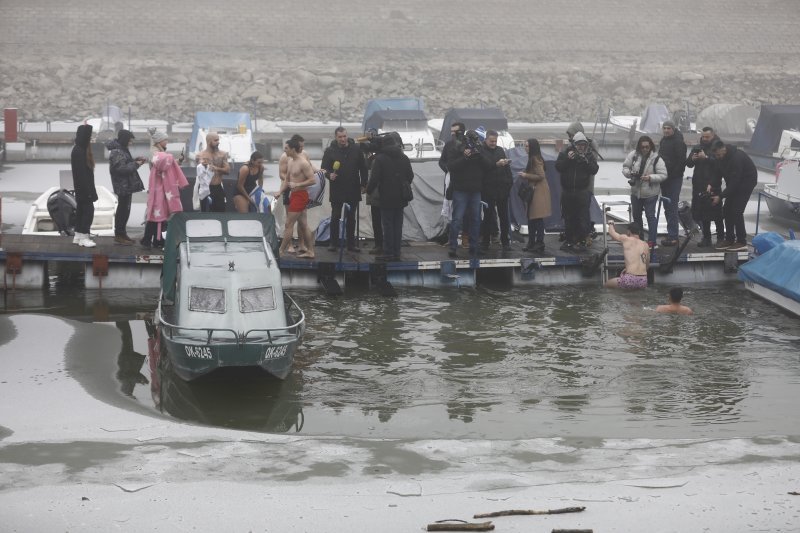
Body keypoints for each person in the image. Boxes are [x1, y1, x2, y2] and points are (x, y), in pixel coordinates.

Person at [444, 128, 492, 258]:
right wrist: (464, 157)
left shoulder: (479, 149)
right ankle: (453, 247)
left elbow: (488, 166)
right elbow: (450, 166)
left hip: (475, 190)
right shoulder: (457, 149)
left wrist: (479, 155)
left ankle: (474, 246)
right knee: (457, 219)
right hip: (460, 189)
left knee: (476, 219)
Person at [366, 133, 414, 262]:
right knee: (398, 225)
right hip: (401, 197)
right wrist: (402, 184)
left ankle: (388, 253)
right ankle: (397, 252)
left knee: (387, 226)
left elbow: (374, 179)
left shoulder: (380, 158)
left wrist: (368, 190)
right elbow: (410, 176)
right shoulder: (404, 157)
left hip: (386, 196)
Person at [321, 127, 368, 252]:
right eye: (340, 137)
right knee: (335, 216)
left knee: (351, 217)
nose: (342, 139)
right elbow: (324, 168)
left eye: (344, 136)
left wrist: (364, 184)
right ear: (336, 137)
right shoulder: (330, 151)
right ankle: (333, 243)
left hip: (353, 187)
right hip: (337, 188)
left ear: (347, 136)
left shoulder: (356, 149)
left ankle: (351, 244)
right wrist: (329, 175)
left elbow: (363, 168)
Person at [710, 140, 757, 252]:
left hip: (746, 183)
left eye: (718, 154)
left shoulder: (737, 158)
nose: (717, 157)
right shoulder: (720, 158)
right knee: (726, 210)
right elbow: (717, 174)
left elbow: (735, 182)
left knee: (737, 211)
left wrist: (721, 196)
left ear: (723, 148)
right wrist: (711, 185)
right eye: (715, 155)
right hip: (734, 183)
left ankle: (741, 241)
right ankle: (729, 239)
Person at [141, 137, 189, 248]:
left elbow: (168, 164)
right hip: (158, 186)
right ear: (159, 141)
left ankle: (156, 239)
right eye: (165, 139)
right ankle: (148, 239)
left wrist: (178, 161)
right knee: (156, 213)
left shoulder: (160, 152)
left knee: (160, 213)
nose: (167, 141)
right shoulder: (155, 152)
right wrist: (171, 157)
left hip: (161, 186)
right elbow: (162, 162)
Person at [622, 135, 667, 250]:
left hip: (650, 193)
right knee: (636, 216)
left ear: (651, 146)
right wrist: (630, 173)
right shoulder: (633, 155)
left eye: (647, 147)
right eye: (642, 147)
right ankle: (639, 240)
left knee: (650, 216)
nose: (645, 149)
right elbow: (625, 167)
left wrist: (650, 177)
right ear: (639, 147)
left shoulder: (657, 159)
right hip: (636, 191)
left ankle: (652, 242)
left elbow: (664, 175)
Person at [555, 132, 598, 251]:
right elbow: (558, 167)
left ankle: (582, 239)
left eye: (583, 145)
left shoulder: (588, 156)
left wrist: (585, 161)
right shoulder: (565, 153)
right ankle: (569, 240)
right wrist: (568, 159)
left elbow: (594, 170)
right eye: (579, 145)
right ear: (574, 144)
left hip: (582, 191)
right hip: (568, 191)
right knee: (568, 217)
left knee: (583, 217)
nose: (581, 147)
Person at [686, 127, 724, 247]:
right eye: (703, 136)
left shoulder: (718, 147)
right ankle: (706, 237)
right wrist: (693, 158)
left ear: (713, 136)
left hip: (713, 184)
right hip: (698, 183)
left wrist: (706, 158)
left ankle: (720, 238)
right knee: (702, 213)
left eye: (707, 137)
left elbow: (720, 165)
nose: (705, 139)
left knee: (717, 213)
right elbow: (688, 164)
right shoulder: (698, 147)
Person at [279, 137, 317, 259]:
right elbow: (286, 179)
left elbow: (312, 180)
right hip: (293, 195)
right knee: (303, 224)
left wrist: (298, 184)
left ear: (293, 149)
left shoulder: (303, 163)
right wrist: (279, 192)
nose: (285, 150)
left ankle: (280, 251)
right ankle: (310, 251)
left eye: (287, 148)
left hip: (301, 195)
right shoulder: (290, 161)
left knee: (289, 224)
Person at [106, 129, 146, 245]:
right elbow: (121, 169)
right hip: (122, 186)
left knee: (125, 210)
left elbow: (124, 163)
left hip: (126, 186)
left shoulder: (121, 150)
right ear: (124, 140)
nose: (131, 143)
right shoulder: (117, 152)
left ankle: (122, 234)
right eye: (130, 140)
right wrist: (136, 164)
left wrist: (134, 161)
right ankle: (119, 234)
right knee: (122, 211)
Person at [480, 130, 514, 252]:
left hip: (502, 189)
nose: (493, 143)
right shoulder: (481, 151)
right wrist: (497, 164)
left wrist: (509, 183)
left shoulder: (500, 150)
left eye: (495, 141)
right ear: (486, 140)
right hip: (488, 189)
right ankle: (485, 243)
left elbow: (507, 168)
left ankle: (505, 242)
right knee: (488, 217)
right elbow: (485, 166)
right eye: (491, 141)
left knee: (504, 217)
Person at [657, 120, 687, 247]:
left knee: (672, 206)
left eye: (668, 128)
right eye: (664, 128)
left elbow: (681, 163)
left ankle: (674, 236)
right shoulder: (663, 141)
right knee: (666, 206)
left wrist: (671, 175)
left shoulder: (679, 142)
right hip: (664, 178)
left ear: (673, 129)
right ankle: (671, 233)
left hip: (674, 179)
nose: (666, 130)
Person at [518, 138, 551, 253]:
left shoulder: (535, 159)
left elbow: (541, 175)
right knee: (532, 218)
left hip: (538, 190)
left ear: (532, 147)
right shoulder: (534, 158)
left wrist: (525, 175)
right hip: (536, 190)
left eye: (527, 146)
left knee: (537, 218)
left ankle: (539, 242)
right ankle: (532, 242)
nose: (525, 148)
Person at [70, 124, 98, 248]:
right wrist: (88, 191)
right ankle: (84, 237)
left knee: (81, 211)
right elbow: (81, 174)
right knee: (88, 211)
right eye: (89, 136)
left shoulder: (79, 149)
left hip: (81, 188)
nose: (90, 138)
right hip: (83, 188)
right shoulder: (79, 151)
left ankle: (78, 236)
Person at [605, 220, 650, 289]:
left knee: (607, 285)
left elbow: (612, 233)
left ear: (628, 231)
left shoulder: (626, 239)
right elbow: (647, 265)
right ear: (639, 232)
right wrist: (628, 268)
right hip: (643, 280)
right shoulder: (645, 245)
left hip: (629, 279)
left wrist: (611, 223)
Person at [197, 132, 230, 212]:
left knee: (221, 213)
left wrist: (217, 168)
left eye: (218, 140)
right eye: (216, 140)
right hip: (205, 188)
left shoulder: (223, 154)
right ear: (209, 141)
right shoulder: (200, 155)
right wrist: (204, 165)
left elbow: (227, 170)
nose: (218, 142)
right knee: (206, 214)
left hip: (218, 187)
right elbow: (200, 169)